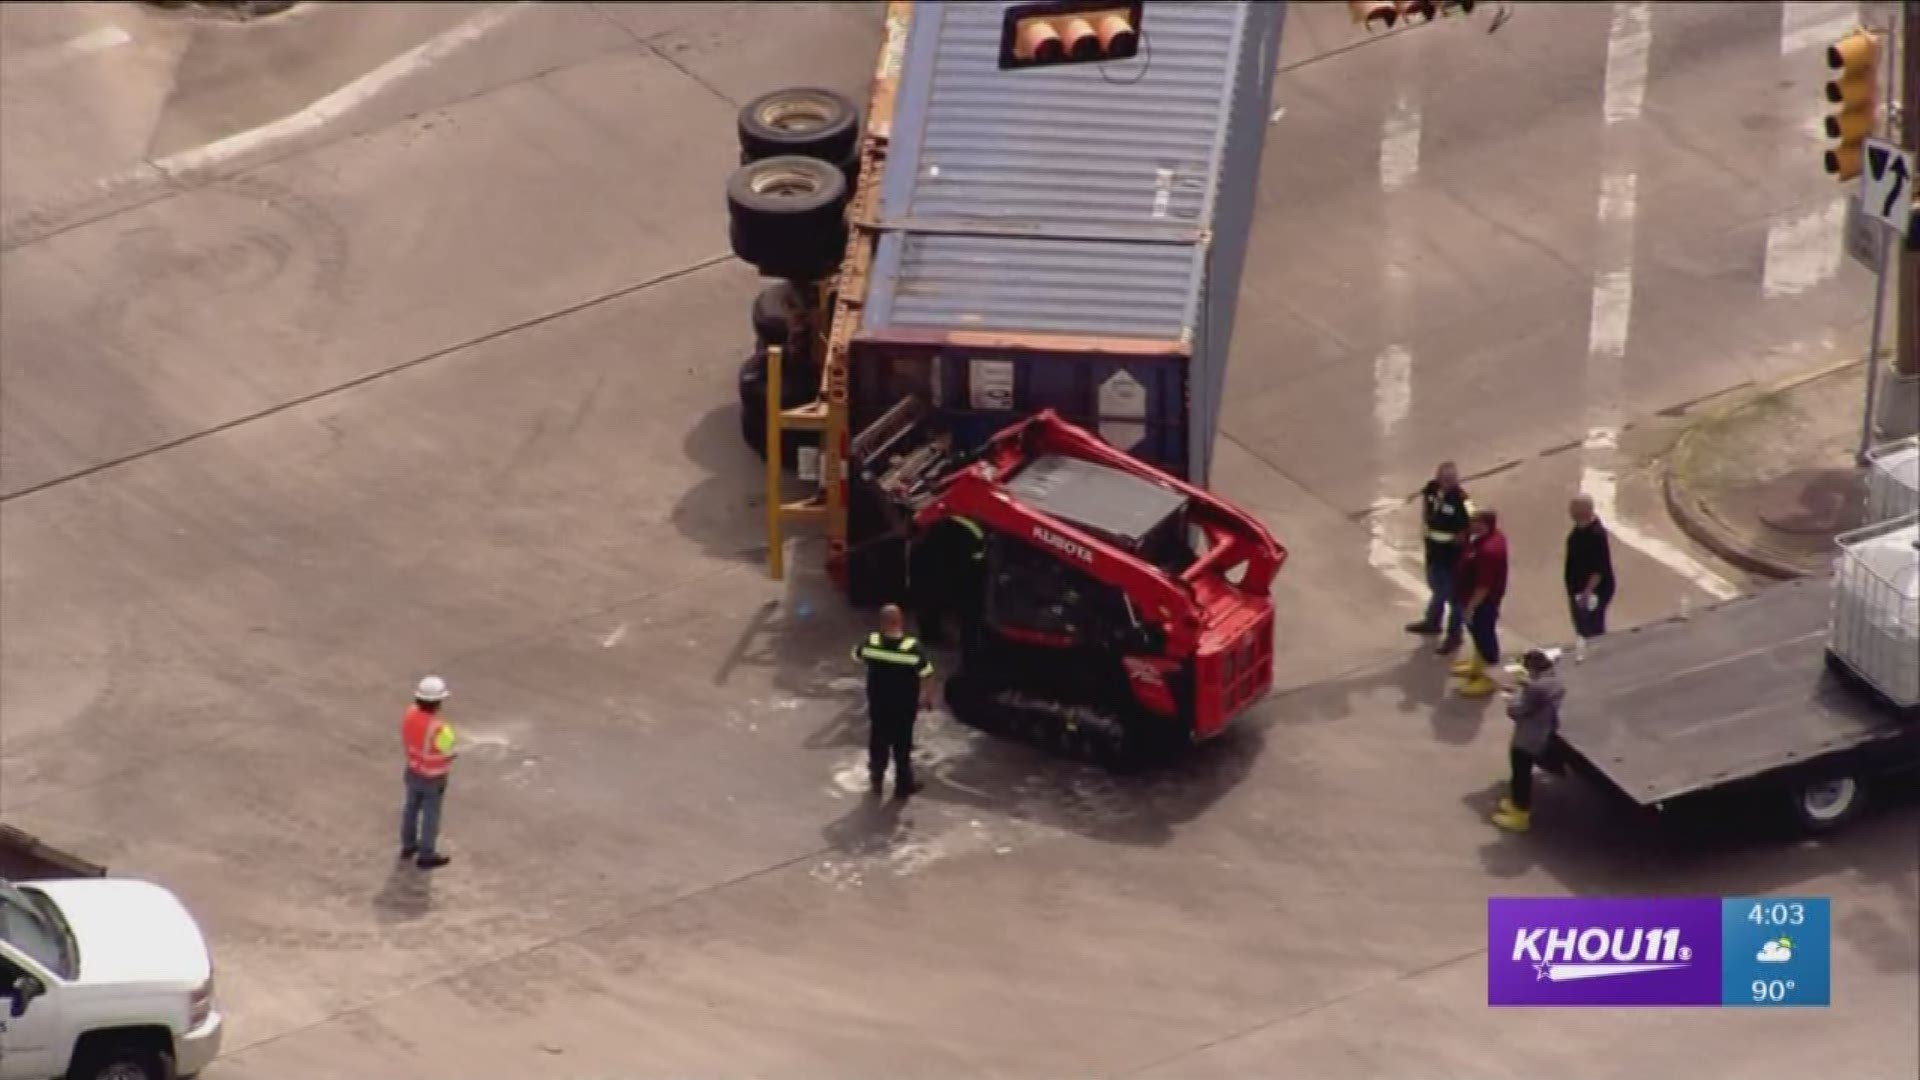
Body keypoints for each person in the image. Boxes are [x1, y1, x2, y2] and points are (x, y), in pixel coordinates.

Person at [851, 604, 934, 799]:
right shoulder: (912, 648)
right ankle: (903, 785)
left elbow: (856, 655)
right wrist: (926, 697)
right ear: (900, 622)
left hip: (879, 704)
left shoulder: (871, 642)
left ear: (882, 624)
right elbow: (927, 674)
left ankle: (877, 780)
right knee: (902, 745)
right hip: (904, 707)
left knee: (878, 741)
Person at [1404, 462, 1474, 654]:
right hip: (1434, 553)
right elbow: (1427, 505)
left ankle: (1454, 634)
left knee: (1453, 598)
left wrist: (1464, 541)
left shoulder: (1462, 500)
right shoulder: (1431, 488)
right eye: (1443, 479)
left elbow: (1472, 521)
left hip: (1452, 558)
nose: (1446, 483)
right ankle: (1433, 622)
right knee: (1437, 589)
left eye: (1450, 480)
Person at [1493, 649, 1565, 833]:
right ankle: (1517, 805)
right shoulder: (1554, 680)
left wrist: (1511, 698)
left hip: (1527, 738)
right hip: (1544, 731)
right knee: (1521, 772)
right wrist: (1527, 686)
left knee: (1520, 775)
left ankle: (1520, 814)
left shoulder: (1536, 688)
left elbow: (1517, 711)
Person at [1450, 507, 1509, 698]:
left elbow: (1483, 586)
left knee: (1485, 636)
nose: (1470, 524)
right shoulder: (1478, 538)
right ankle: (1477, 665)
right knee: (1477, 635)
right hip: (1468, 596)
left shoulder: (1489, 550)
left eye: (1475, 521)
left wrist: (1470, 608)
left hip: (1482, 602)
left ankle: (1489, 676)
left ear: (1485, 524)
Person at [400, 675, 458, 870]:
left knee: (410, 809)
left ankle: (408, 845)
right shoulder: (440, 729)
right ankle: (426, 854)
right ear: (438, 702)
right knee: (430, 816)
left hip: (413, 770)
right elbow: (448, 752)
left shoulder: (409, 714)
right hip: (433, 778)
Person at [909, 515, 986, 647]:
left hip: (929, 570)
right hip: (957, 574)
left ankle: (929, 634)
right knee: (967, 614)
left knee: (928, 602)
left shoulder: (934, 521)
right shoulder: (975, 530)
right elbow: (978, 557)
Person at [1564, 493, 1616, 651]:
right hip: (1578, 591)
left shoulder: (1596, 535)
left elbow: (1598, 570)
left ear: (1583, 511)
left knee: (1592, 629)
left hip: (1592, 592)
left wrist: (1587, 593)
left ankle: (1597, 656)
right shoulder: (1578, 531)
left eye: (1573, 508)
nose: (1570, 511)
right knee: (1582, 628)